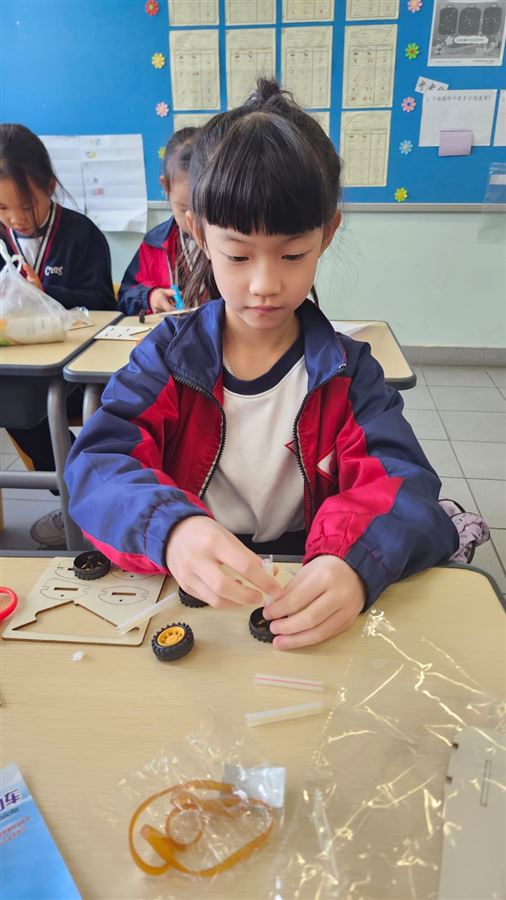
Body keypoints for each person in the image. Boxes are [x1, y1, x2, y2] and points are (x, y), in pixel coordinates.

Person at [65, 79, 458, 649]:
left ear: (328, 234)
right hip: (189, 580)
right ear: (198, 234)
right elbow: (98, 466)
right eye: (238, 254)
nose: (265, 284)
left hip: (306, 573)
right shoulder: (167, 358)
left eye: (293, 254)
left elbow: (403, 486)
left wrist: (353, 562)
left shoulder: (348, 373)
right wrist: (170, 529)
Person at [0, 123, 116, 546]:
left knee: (36, 406)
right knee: (14, 404)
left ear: (50, 187)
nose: (16, 219)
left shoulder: (81, 235)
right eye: (2, 208)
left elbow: (104, 304)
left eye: (27, 205)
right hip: (15, 370)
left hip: (70, 373)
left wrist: (47, 293)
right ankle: (75, 493)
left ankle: (80, 496)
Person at [117, 127, 205, 314]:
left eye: (204, 210)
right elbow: (125, 296)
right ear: (165, 186)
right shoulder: (154, 243)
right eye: (184, 209)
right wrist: (150, 296)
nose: (194, 222)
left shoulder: (234, 245)